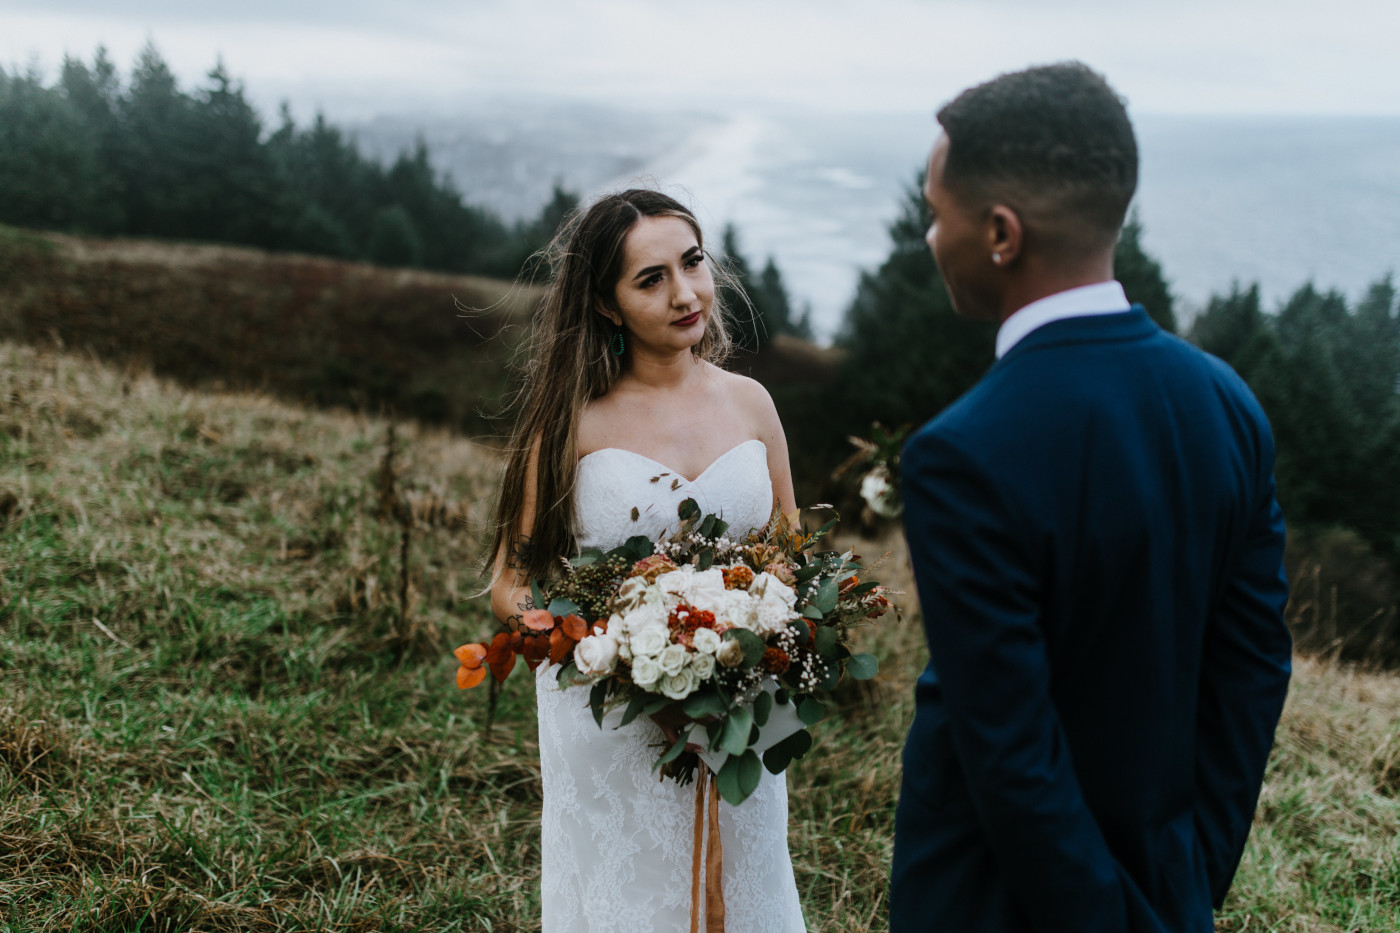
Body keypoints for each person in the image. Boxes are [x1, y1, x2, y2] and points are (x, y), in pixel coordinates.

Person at [890, 62, 1292, 932]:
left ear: (1001, 233)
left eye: (936, 212)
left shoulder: (962, 453)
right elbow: (1253, 671)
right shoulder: (1228, 402)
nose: (928, 238)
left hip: (992, 901)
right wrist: (1190, 871)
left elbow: (1011, 754)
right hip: (1171, 880)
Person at [487, 189, 807, 932]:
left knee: (746, 895)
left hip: (739, 709)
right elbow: (512, 583)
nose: (685, 292)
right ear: (606, 303)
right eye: (651, 278)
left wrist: (758, 629)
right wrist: (603, 648)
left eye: (692, 262)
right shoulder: (572, 420)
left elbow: (793, 551)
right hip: (613, 716)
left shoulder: (752, 403)